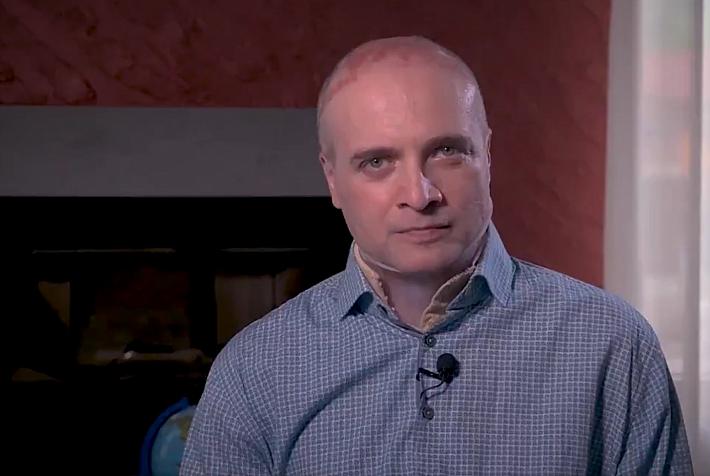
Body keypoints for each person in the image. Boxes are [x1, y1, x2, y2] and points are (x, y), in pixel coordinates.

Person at [180, 36, 693, 475]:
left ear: (486, 155)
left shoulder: (612, 345)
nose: (420, 194)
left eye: (446, 151)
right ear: (332, 179)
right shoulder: (255, 369)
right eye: (377, 162)